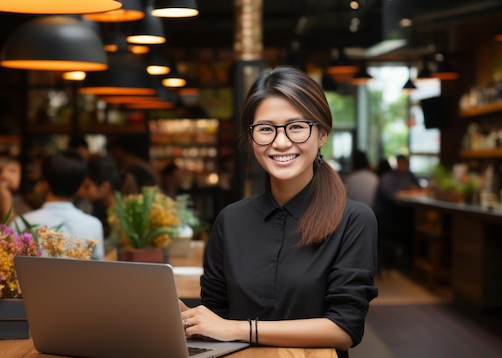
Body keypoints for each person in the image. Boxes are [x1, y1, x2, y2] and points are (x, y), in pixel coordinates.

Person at [179, 66, 378, 358]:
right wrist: (185, 317)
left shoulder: (354, 220)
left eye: (296, 126)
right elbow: (215, 318)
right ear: (251, 138)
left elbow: (345, 329)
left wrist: (239, 329)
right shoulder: (230, 220)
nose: (281, 142)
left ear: (322, 134)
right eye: (266, 129)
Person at [11, 150, 105, 260]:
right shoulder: (93, 225)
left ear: (44, 184)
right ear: (80, 187)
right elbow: (98, 269)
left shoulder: (21, 223)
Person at [373, 154, 422, 272]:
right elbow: (391, 195)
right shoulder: (388, 177)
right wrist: (408, 191)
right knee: (407, 227)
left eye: (405, 163)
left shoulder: (410, 175)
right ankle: (403, 261)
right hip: (386, 216)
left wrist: (412, 190)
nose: (403, 166)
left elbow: (419, 189)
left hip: (403, 213)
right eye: (401, 163)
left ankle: (409, 261)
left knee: (412, 226)